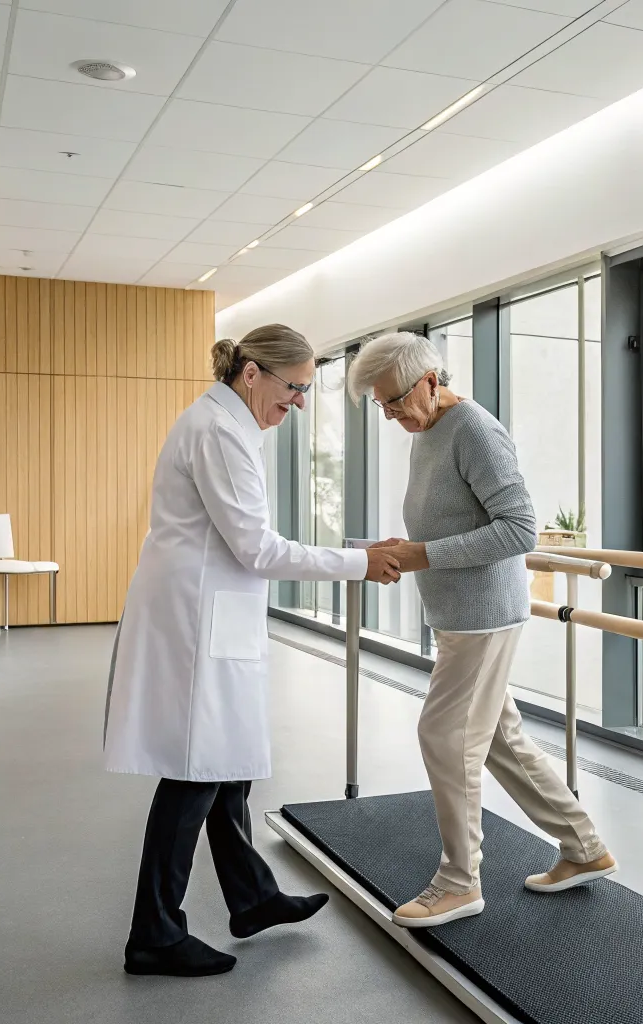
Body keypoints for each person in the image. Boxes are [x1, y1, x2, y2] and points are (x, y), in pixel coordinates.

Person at [104, 325, 402, 977]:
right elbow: (257, 548)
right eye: (294, 387)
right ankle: (154, 933)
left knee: (228, 763)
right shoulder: (217, 431)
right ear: (251, 375)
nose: (300, 403)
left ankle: (253, 898)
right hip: (195, 619)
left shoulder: (231, 426)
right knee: (196, 773)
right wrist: (357, 563)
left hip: (212, 612)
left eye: (306, 390)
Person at [351, 332, 616, 929]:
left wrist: (423, 555)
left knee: (445, 735)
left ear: (429, 380)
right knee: (499, 739)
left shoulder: (474, 430)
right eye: (380, 404)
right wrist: (408, 550)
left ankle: (459, 882)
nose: (389, 414)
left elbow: (520, 529)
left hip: (483, 616)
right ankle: (584, 847)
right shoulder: (427, 430)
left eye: (394, 400)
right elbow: (446, 522)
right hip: (459, 615)